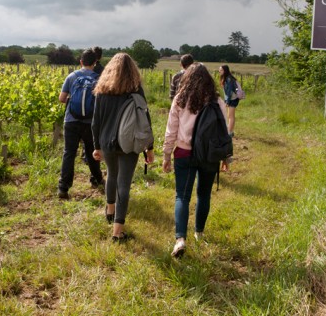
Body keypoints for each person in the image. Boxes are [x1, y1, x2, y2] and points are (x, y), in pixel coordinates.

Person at [162, 63, 227, 257]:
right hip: (208, 155)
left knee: (182, 196)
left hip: (184, 153)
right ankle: (199, 233)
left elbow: (171, 130)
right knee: (204, 194)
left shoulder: (180, 100)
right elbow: (223, 132)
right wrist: (226, 157)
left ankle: (180, 239)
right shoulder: (217, 101)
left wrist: (166, 154)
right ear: (209, 80)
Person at [92, 53, 154, 242]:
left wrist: (96, 146)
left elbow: (96, 122)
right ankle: (118, 232)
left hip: (107, 142)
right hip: (130, 143)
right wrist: (149, 147)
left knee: (111, 175)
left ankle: (110, 211)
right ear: (132, 71)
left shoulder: (102, 91)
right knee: (124, 183)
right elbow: (145, 122)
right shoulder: (136, 90)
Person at [57, 49, 104, 200]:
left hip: (71, 121)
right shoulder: (99, 79)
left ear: (81, 62)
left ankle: (63, 188)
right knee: (92, 152)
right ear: (95, 62)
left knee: (69, 153)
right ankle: (97, 180)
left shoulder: (72, 76)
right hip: (90, 123)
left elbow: (62, 98)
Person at [219, 65, 239, 138]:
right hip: (231, 99)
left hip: (232, 99)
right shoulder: (227, 78)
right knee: (230, 116)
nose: (219, 72)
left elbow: (229, 91)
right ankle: (231, 131)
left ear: (225, 71)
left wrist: (227, 101)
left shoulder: (229, 79)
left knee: (230, 116)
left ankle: (229, 133)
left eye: (221, 70)